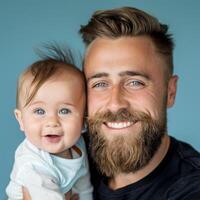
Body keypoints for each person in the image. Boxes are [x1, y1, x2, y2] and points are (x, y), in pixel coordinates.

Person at [79, 6, 200, 199]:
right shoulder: (65, 155)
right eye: (100, 84)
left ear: (170, 92)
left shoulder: (191, 189)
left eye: (135, 83)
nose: (115, 103)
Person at [6, 46, 93, 200]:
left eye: (64, 111)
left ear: (84, 121)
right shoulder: (32, 164)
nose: (52, 122)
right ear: (21, 120)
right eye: (39, 111)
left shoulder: (78, 144)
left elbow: (84, 186)